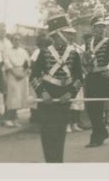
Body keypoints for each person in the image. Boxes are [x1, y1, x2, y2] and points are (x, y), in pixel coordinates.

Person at [30, 13, 83, 162]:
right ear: (57, 35)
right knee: (47, 136)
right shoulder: (43, 53)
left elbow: (79, 78)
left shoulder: (74, 54)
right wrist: (43, 92)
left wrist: (70, 93)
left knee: (60, 136)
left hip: (64, 100)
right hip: (47, 100)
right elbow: (33, 76)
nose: (71, 37)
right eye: (67, 33)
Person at [82, 5, 109, 148]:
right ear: (93, 29)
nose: (101, 29)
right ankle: (102, 132)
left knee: (98, 109)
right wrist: (86, 60)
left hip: (101, 79)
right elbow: (86, 62)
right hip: (90, 78)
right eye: (98, 27)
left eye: (103, 27)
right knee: (90, 108)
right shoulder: (88, 43)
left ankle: (96, 137)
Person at [3, 33, 31, 128]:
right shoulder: (7, 51)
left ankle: (14, 118)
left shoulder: (23, 51)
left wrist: (23, 73)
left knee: (19, 97)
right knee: (12, 96)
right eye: (15, 39)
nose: (17, 41)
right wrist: (15, 74)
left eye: (18, 39)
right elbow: (7, 62)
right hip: (12, 74)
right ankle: (8, 118)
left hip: (22, 74)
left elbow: (27, 63)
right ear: (12, 41)